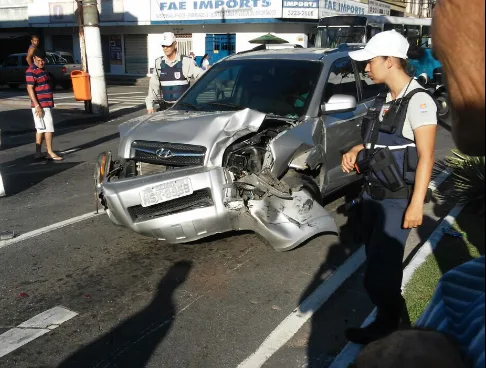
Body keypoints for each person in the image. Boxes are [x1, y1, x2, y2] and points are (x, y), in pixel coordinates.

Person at [341, 30, 438, 345]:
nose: (367, 68)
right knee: (376, 268)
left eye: (371, 61)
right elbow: (378, 140)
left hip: (396, 202)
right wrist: (356, 149)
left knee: (380, 276)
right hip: (372, 195)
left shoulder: (419, 101)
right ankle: (389, 322)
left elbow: (426, 156)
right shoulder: (385, 98)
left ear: (390, 61)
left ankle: (392, 328)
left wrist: (416, 204)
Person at [145, 32, 204, 113]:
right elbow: (153, 85)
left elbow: (203, 77)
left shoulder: (186, 62)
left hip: (184, 109)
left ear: (175, 45)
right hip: (166, 109)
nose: (165, 48)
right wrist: (149, 106)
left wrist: (194, 95)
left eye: (168, 45)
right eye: (163, 45)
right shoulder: (159, 63)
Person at [26, 48, 63, 161]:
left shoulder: (43, 70)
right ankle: (50, 152)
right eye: (38, 60)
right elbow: (30, 88)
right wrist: (37, 105)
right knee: (48, 128)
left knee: (41, 129)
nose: (41, 62)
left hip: (46, 103)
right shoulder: (31, 71)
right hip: (41, 105)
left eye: (43, 60)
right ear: (34, 59)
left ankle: (38, 153)